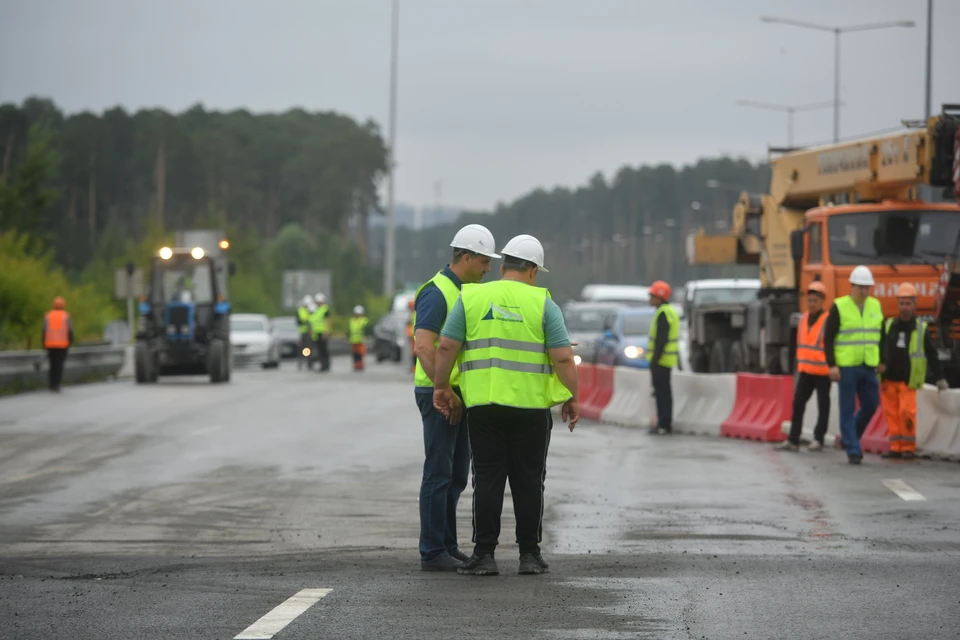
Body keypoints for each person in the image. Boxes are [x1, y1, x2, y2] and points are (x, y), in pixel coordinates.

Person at [432, 234, 580, 577]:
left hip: (484, 406)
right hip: (530, 409)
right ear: (532, 270)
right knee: (529, 481)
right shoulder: (543, 304)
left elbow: (445, 348)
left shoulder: (472, 297)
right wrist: (571, 396)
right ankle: (529, 555)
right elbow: (561, 356)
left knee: (486, 479)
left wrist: (441, 386)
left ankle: (484, 555)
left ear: (502, 267)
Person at [413, 223, 500, 572]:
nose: (487, 268)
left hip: (455, 394)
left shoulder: (464, 293)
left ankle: (446, 545)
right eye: (483, 261)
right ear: (465, 257)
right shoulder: (437, 293)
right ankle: (432, 551)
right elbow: (423, 345)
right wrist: (443, 388)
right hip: (438, 393)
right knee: (438, 473)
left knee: (456, 475)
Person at [877, 283, 949, 459]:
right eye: (901, 303)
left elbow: (932, 354)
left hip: (907, 382)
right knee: (892, 415)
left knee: (907, 414)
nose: (904, 308)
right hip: (888, 381)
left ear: (914, 305)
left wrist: (940, 378)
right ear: (897, 304)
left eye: (908, 304)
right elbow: (878, 348)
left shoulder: (920, 329)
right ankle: (895, 447)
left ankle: (908, 447)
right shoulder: (888, 325)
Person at [824, 265, 883, 464]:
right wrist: (832, 364)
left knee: (872, 403)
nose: (864, 291)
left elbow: (880, 336)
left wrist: (883, 360)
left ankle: (849, 437)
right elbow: (829, 337)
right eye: (860, 287)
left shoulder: (875, 306)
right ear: (852, 286)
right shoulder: (839, 306)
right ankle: (853, 449)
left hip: (868, 365)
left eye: (867, 287)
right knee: (847, 408)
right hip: (847, 366)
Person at [776, 281, 832, 452]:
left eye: (815, 300)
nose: (812, 304)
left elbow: (830, 345)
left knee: (823, 406)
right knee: (798, 403)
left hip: (823, 371)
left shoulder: (828, 321)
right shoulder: (802, 320)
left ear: (822, 301)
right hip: (806, 371)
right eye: (809, 300)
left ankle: (818, 439)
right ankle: (793, 439)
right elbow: (795, 345)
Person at [645, 280, 680, 435]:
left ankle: (663, 424)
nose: (650, 299)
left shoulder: (663, 313)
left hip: (661, 360)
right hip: (665, 360)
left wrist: (655, 359)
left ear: (660, 297)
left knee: (662, 393)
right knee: (663, 392)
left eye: (652, 296)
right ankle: (664, 423)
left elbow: (661, 339)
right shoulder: (668, 311)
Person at [43, 296, 73, 392]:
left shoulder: (48, 316)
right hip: (62, 345)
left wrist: (43, 343)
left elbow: (44, 330)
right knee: (59, 365)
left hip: (50, 344)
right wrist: (70, 342)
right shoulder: (66, 316)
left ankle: (51, 384)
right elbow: (70, 331)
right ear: (63, 305)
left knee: (52, 364)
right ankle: (57, 384)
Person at [310, 293, 331, 372]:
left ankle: (326, 365)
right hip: (316, 334)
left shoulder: (325, 309)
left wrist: (326, 332)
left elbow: (327, 321)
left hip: (323, 333)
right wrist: (312, 330)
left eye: (319, 302)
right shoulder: (315, 310)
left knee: (324, 350)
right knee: (319, 350)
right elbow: (313, 322)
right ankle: (322, 365)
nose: (318, 303)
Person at [297, 295, 315, 371]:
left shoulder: (312, 310)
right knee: (303, 348)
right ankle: (301, 363)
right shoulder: (301, 311)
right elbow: (300, 321)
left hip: (310, 333)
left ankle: (309, 364)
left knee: (309, 349)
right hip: (304, 332)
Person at [349, 305, 369, 372]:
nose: (357, 315)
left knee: (361, 354)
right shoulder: (352, 321)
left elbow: (366, 329)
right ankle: (356, 365)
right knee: (355, 354)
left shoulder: (364, 320)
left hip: (361, 340)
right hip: (354, 340)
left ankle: (361, 365)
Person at [407, 298, 417, 373]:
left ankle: (414, 369)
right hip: (413, 337)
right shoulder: (413, 314)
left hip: (416, 337)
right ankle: (414, 368)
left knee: (416, 353)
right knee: (413, 353)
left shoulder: (415, 314)